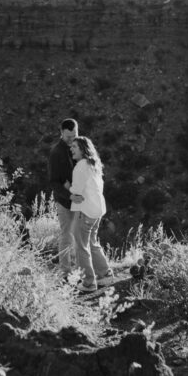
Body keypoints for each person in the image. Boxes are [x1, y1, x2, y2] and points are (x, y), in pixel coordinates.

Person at [69, 135, 114, 292]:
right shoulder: (94, 164)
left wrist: (68, 189)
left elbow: (77, 191)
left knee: (81, 245)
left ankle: (89, 282)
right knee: (92, 242)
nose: (71, 149)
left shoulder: (80, 166)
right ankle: (105, 274)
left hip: (85, 210)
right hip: (97, 210)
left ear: (82, 149)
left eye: (74, 147)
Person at [47, 117, 77, 275]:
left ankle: (81, 270)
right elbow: (53, 182)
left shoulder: (79, 146)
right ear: (61, 133)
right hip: (65, 202)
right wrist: (69, 194)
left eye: (74, 136)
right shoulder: (56, 152)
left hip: (80, 200)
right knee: (66, 236)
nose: (71, 140)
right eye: (68, 137)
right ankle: (65, 271)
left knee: (81, 237)